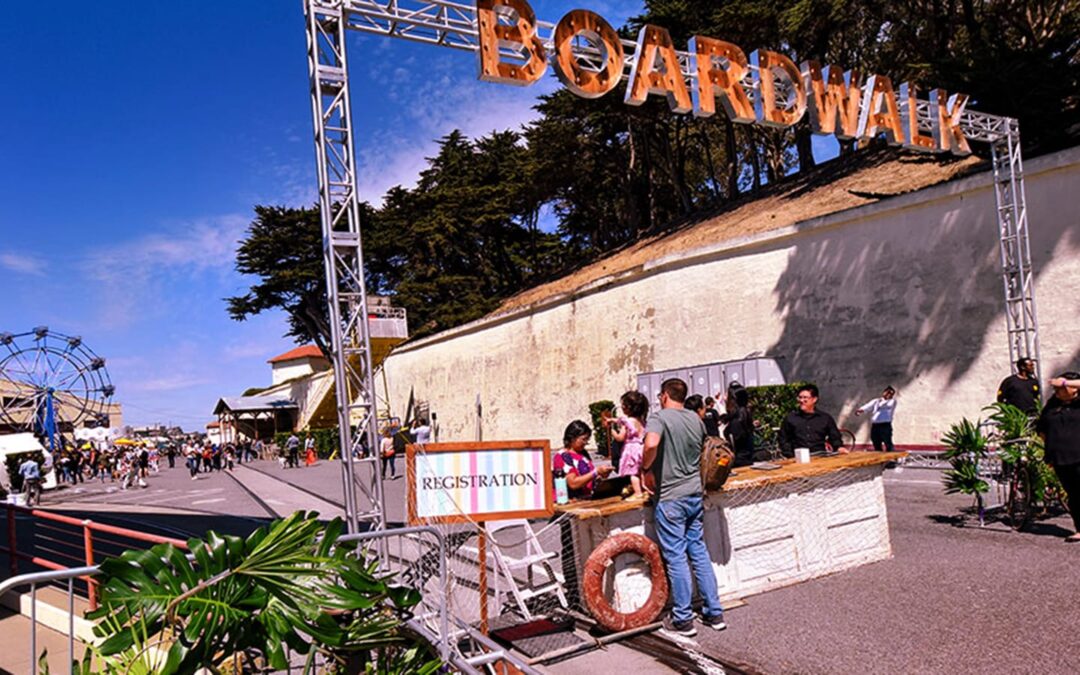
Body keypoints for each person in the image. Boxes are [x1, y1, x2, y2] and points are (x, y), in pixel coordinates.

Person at [643, 378, 725, 638]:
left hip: (670, 496)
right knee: (698, 551)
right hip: (694, 493)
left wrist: (646, 469)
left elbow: (651, 444)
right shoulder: (695, 419)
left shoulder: (658, 418)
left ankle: (682, 618)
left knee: (676, 557)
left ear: (665, 395)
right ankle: (714, 612)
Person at [1036, 371, 1080, 542]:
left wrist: (1064, 382)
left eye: (1061, 388)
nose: (1057, 391)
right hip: (1060, 458)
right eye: (1056, 389)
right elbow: (1041, 429)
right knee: (1074, 494)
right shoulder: (1053, 404)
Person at [778, 384, 848, 456]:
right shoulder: (790, 418)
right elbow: (783, 438)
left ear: (814, 399)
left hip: (820, 456)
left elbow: (835, 437)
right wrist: (790, 454)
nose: (802, 400)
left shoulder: (825, 418)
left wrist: (839, 447)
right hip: (798, 457)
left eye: (805, 398)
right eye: (800, 397)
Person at [552, 420, 613, 500]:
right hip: (573, 501)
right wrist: (596, 472)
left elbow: (589, 477)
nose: (585, 443)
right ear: (572, 438)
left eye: (587, 440)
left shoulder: (583, 454)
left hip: (587, 498)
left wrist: (601, 475)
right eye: (583, 439)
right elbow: (573, 483)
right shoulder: (563, 456)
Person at [608, 391, 648, 498]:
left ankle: (638, 493)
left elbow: (620, 438)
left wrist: (613, 432)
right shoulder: (642, 421)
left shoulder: (627, 422)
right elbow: (620, 420)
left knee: (633, 473)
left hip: (631, 450)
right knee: (641, 471)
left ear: (628, 407)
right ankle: (644, 489)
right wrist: (612, 420)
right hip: (641, 448)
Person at [720, 384, 754, 467]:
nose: (724, 398)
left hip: (739, 462)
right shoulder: (744, 414)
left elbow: (734, 445)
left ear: (733, 400)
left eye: (727, 395)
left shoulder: (737, 421)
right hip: (745, 459)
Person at [855, 386, 897, 452]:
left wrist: (881, 401)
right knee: (875, 441)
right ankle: (878, 454)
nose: (888, 394)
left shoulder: (892, 402)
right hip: (875, 425)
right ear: (884, 392)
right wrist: (860, 410)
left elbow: (884, 404)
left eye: (891, 393)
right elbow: (868, 406)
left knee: (887, 441)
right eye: (887, 392)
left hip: (885, 425)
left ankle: (891, 455)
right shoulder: (876, 401)